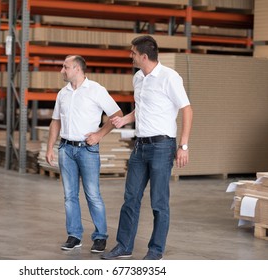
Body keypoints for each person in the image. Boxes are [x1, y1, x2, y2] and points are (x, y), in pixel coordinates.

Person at [101, 35, 193, 260]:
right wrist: (125, 120)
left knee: (159, 201)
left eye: (132, 53)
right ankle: (124, 246)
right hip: (140, 146)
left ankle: (156, 250)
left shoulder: (170, 77)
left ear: (144, 56)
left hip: (162, 146)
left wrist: (183, 146)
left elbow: (187, 110)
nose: (130, 56)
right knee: (130, 198)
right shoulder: (138, 78)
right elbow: (141, 109)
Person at [46, 55, 123, 253]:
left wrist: (99, 135)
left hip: (87, 150)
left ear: (77, 69)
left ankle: (100, 237)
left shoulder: (96, 90)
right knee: (69, 195)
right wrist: (49, 148)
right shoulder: (62, 93)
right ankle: (74, 235)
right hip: (66, 149)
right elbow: (55, 121)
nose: (62, 70)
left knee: (93, 195)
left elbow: (117, 115)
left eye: (65, 67)